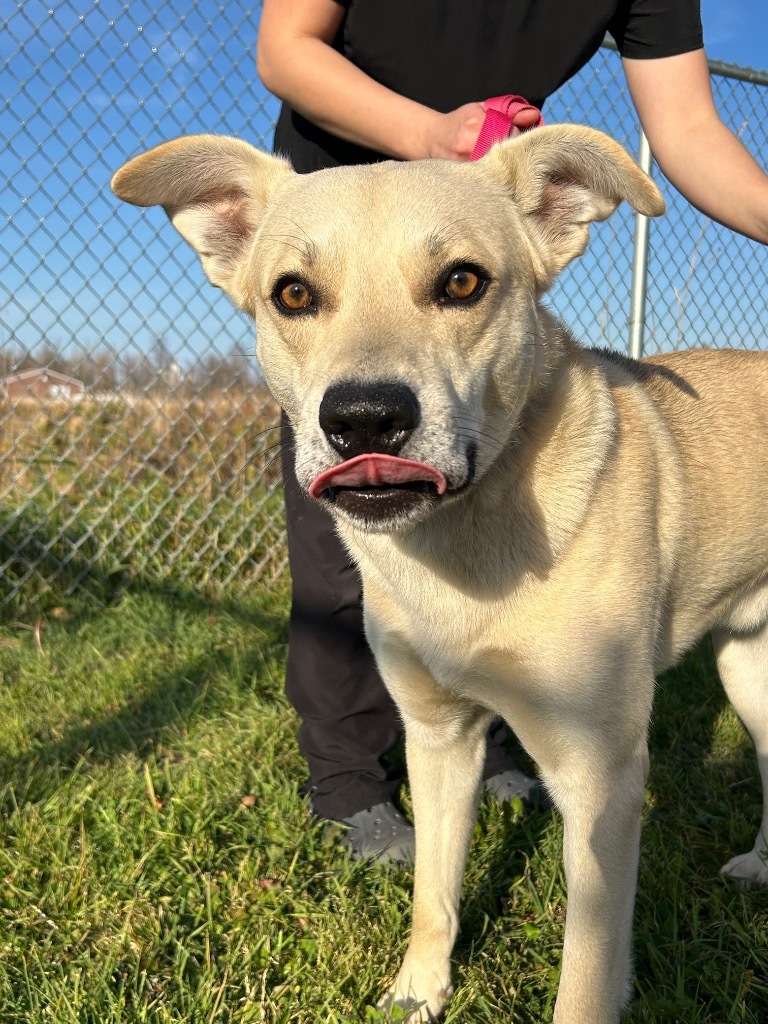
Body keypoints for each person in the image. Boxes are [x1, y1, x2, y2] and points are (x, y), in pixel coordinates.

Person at [256, 0, 768, 864]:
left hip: (483, 225)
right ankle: (351, 780)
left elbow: (684, 123)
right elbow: (286, 47)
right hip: (333, 195)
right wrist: (431, 137)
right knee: (348, 559)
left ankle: (491, 741)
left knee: (502, 515)